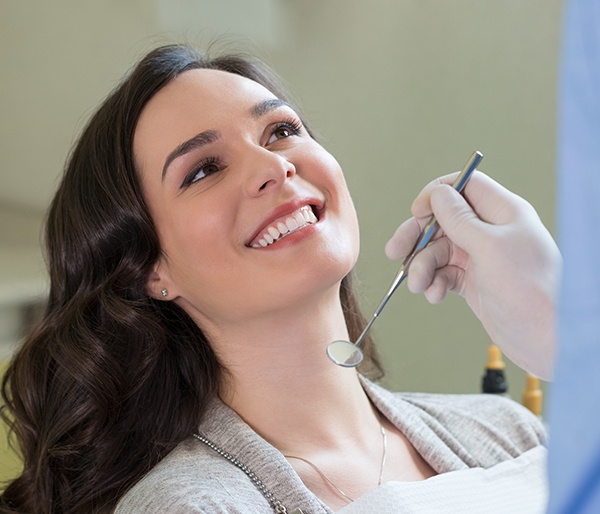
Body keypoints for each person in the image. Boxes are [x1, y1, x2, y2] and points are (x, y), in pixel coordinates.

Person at [0, 44, 560, 514]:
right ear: (152, 271)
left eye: (280, 131)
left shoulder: (510, 431)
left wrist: (562, 337)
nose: (274, 167)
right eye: (204, 169)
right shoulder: (191, 506)